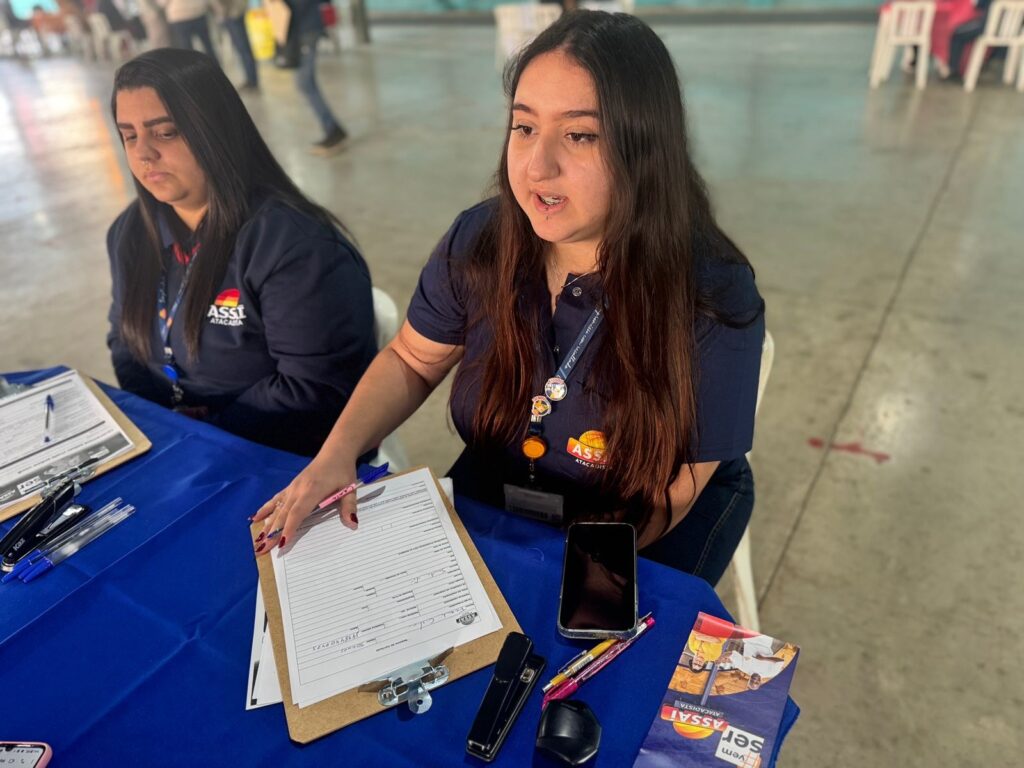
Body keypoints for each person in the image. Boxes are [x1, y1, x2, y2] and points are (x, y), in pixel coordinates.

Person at [253, 11, 764, 584]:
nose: (536, 167)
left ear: (646, 147)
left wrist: (571, 579)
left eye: (580, 134)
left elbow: (678, 486)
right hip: (510, 476)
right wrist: (337, 453)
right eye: (524, 128)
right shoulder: (480, 242)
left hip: (645, 515)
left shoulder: (710, 292)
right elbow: (411, 359)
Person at [106, 48, 376, 456]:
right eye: (129, 135)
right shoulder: (130, 233)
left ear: (212, 130)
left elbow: (313, 392)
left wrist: (206, 434)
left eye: (165, 132)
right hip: (179, 447)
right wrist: (161, 424)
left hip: (284, 460)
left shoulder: (295, 247)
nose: (144, 153)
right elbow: (125, 343)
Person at [285, 0, 348, 154]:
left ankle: (333, 130)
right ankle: (332, 128)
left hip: (307, 28)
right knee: (306, 83)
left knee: (305, 83)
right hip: (302, 28)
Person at [212, 0, 258, 91]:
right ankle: (251, 79)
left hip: (233, 14)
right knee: (243, 49)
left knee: (243, 49)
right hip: (234, 12)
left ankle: (252, 80)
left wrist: (225, 13)